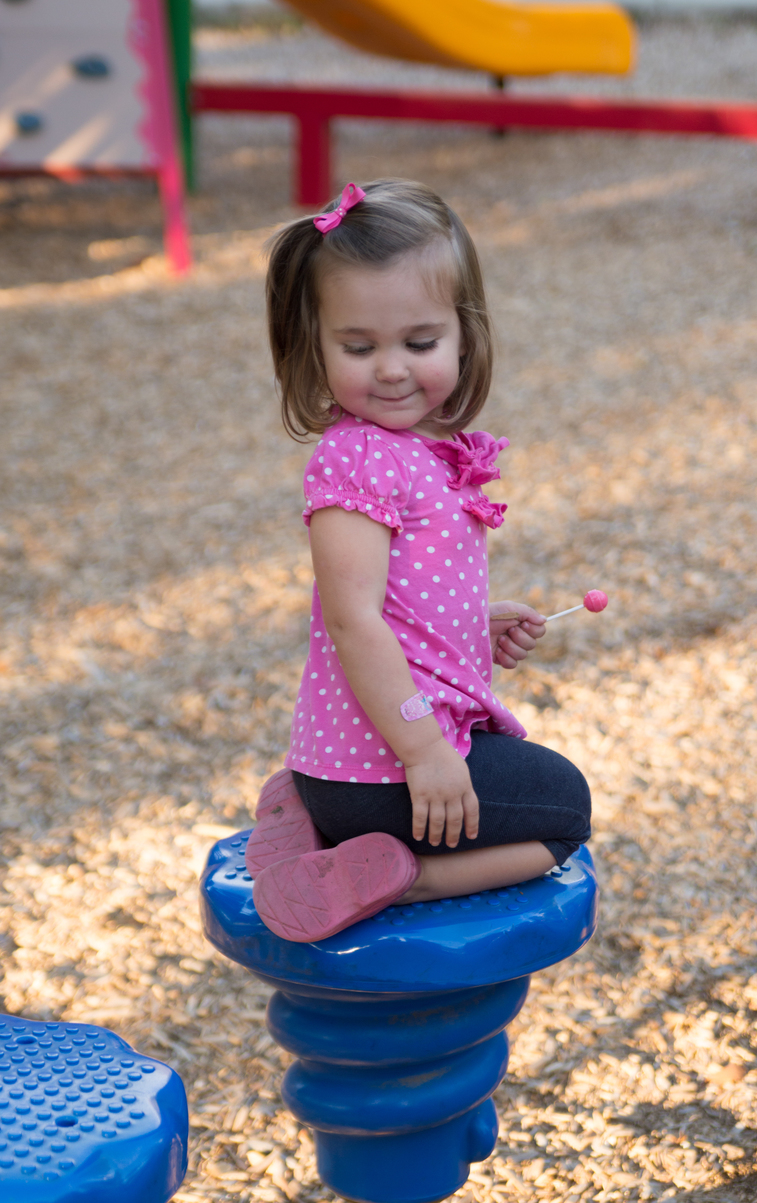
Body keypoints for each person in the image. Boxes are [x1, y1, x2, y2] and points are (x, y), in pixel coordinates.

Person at [245, 179, 591, 942]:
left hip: (355, 766)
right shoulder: (359, 458)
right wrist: (426, 751)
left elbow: (396, 602)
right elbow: (352, 619)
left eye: (419, 343)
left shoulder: (412, 452)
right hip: (383, 771)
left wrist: (472, 624)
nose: (392, 368)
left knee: (532, 784)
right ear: (316, 346)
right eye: (359, 347)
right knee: (567, 811)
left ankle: (310, 817)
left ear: (465, 335)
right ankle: (395, 877)